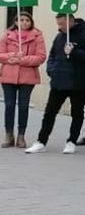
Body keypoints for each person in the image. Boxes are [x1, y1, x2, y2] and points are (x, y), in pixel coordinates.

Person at [25, 13, 85, 154]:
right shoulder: (59, 37)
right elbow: (52, 55)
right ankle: (41, 141)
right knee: (49, 112)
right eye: (58, 24)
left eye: (62, 24)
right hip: (59, 81)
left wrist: (75, 52)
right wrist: (52, 70)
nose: (60, 27)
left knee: (77, 113)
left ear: (71, 21)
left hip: (78, 82)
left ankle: (71, 141)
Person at [1, 12, 46, 148]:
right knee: (9, 105)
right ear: (16, 22)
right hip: (8, 75)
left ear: (31, 22)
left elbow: (41, 56)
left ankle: (21, 135)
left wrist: (23, 60)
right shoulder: (7, 35)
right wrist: (13, 56)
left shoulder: (37, 36)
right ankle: (9, 135)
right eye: (21, 20)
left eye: (27, 20)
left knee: (23, 106)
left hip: (28, 76)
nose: (24, 22)